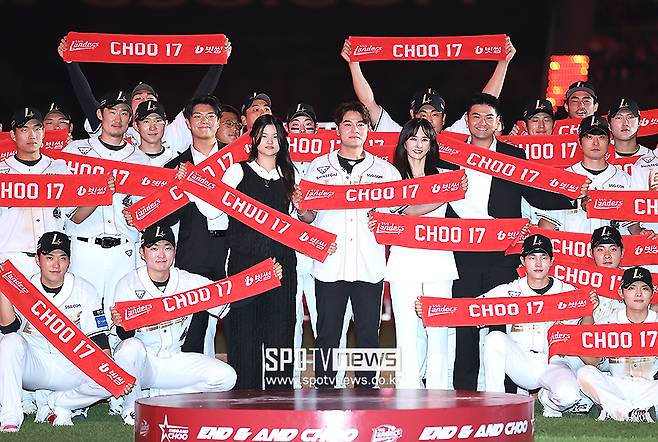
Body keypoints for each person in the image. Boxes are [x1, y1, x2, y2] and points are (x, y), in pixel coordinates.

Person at [445, 93, 587, 391]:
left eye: (489, 117)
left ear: (499, 123)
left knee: (502, 322)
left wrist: (573, 197)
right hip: (463, 252)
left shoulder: (513, 156)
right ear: (466, 121)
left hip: (502, 252)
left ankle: (506, 395)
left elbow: (535, 193)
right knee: (466, 322)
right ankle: (465, 392)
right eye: (476, 116)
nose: (482, 122)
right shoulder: (450, 154)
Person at [297, 102, 401, 388]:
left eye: (360, 124)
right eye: (348, 124)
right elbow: (308, 216)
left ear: (368, 130)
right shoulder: (319, 167)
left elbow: (398, 217)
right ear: (337, 130)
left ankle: (368, 392)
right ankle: (325, 390)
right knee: (327, 334)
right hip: (330, 265)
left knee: (368, 335)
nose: (354, 130)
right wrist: (301, 208)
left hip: (369, 264)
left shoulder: (385, 171)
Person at [111, 224, 239, 425]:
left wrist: (263, 278)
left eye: (167, 247)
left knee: (226, 377)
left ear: (175, 251)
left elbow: (228, 299)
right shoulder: (128, 283)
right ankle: (130, 408)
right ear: (142, 252)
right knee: (130, 349)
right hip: (143, 364)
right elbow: (124, 336)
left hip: (174, 359)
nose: (161, 254)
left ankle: (164, 395)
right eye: (154, 248)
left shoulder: (188, 281)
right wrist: (121, 324)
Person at [0, 232, 118, 431]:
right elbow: (8, 328)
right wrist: (3, 286)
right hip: (35, 365)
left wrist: (111, 375)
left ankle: (60, 402)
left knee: (111, 378)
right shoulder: (24, 288)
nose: (56, 264)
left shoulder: (85, 289)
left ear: (69, 262)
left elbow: (99, 338)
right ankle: (10, 416)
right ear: (37, 259)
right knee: (9, 342)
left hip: (70, 367)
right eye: (49, 257)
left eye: (62, 258)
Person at [384, 118, 467, 389]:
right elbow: (407, 211)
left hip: (439, 261)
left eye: (425, 139)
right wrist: (446, 195)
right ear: (404, 142)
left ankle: (439, 389)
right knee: (407, 330)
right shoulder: (392, 176)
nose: (418, 145)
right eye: (413, 138)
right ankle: (408, 390)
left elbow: (467, 211)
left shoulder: (445, 175)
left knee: (439, 329)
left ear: (431, 144)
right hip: (404, 260)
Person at [220, 114, 299, 389]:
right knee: (244, 335)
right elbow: (214, 209)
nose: (269, 142)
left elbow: (302, 220)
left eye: (275, 136)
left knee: (280, 335)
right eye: (264, 135)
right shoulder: (237, 171)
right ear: (253, 139)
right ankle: (244, 399)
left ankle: (281, 400)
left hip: (282, 266)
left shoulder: (291, 174)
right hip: (245, 265)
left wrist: (305, 208)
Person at [63, 91, 150, 339]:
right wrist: (99, 193)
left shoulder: (140, 158)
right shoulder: (75, 151)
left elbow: (146, 212)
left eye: (124, 113)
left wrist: (140, 217)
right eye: (112, 111)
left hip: (124, 250)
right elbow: (71, 216)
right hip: (84, 248)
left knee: (119, 321)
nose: (117, 118)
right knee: (79, 317)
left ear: (130, 119)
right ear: (100, 114)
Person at [57, 35, 232, 152]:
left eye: (149, 97)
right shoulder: (114, 127)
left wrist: (218, 61)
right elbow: (87, 99)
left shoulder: (171, 132)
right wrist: (71, 62)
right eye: (138, 97)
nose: (144, 100)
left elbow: (199, 100)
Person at [477, 235, 589, 408]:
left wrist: (589, 308)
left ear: (552, 261)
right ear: (523, 261)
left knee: (569, 398)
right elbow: (471, 309)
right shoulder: (510, 290)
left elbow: (585, 330)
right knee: (494, 338)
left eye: (543, 257)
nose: (538, 263)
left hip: (554, 362)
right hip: (521, 361)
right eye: (532, 257)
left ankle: (546, 398)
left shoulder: (568, 292)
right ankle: (495, 403)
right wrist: (439, 310)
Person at [284, 103, 352, 388]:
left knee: (329, 321)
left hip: (323, 254)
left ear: (318, 131)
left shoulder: (329, 164)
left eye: (308, 127)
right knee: (289, 321)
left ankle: (334, 380)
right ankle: (290, 381)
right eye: (295, 127)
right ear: (286, 130)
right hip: (288, 253)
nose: (302, 132)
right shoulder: (277, 160)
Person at [159, 95, 229, 355]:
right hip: (194, 251)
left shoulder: (237, 159)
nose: (204, 121)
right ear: (188, 123)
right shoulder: (175, 166)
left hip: (233, 251)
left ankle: (242, 379)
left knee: (239, 325)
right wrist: (178, 188)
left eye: (210, 116)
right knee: (193, 328)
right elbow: (167, 219)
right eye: (197, 116)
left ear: (219, 121)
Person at [340, 37, 516, 133]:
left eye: (435, 114)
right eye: (423, 114)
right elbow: (369, 103)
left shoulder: (454, 137)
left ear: (444, 119)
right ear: (412, 115)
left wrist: (503, 63)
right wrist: (353, 65)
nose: (429, 120)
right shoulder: (399, 136)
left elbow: (486, 102)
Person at [576, 266, 658, 422]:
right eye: (632, 288)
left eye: (644, 288)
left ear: (652, 293)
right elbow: (594, 361)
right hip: (616, 386)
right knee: (585, 373)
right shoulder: (607, 323)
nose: (638, 294)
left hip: (649, 388)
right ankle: (635, 413)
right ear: (621, 292)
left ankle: (614, 411)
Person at [537, 116, 643, 235]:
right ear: (579, 142)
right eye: (589, 137)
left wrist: (644, 234)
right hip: (577, 246)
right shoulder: (564, 178)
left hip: (610, 246)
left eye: (601, 137)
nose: (595, 143)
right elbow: (546, 226)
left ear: (609, 142)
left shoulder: (624, 178)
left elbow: (633, 227)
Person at [0, 108, 74, 279]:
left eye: (37, 128)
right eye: (24, 129)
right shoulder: (2, 171)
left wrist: (100, 191)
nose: (31, 135)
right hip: (10, 259)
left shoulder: (60, 168)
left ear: (43, 132)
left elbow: (75, 215)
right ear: (13, 135)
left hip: (53, 260)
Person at [133, 100, 176, 167]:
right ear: (136, 126)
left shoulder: (175, 160)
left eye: (158, 121)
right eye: (146, 121)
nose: (152, 128)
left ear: (166, 124)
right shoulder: (126, 158)